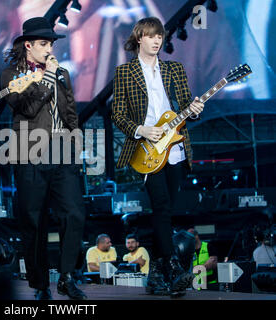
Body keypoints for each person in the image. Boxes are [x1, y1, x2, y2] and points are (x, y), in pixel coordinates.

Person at [111, 17, 204, 297]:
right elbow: (117, 114)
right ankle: (173, 267)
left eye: (160, 37)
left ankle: (156, 276)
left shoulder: (174, 69)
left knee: (165, 212)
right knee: (161, 205)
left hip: (175, 147)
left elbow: (186, 104)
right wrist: (140, 129)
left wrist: (196, 108)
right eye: (151, 36)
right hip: (146, 150)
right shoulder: (125, 72)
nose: (157, 41)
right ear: (139, 38)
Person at [0, 17, 86, 300]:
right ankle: (39, 285)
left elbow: (70, 109)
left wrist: (76, 138)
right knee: (33, 221)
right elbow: (28, 105)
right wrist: (48, 76)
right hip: (30, 153)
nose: (50, 49)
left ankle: (66, 276)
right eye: (44, 43)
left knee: (73, 214)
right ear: (29, 45)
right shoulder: (12, 75)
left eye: (50, 43)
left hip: (63, 151)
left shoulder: (62, 73)